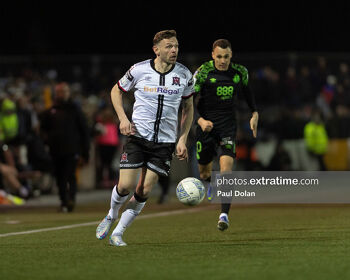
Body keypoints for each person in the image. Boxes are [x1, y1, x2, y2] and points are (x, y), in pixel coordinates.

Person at [96, 30, 194, 246]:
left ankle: (118, 233)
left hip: (165, 143)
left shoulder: (185, 75)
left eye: (176, 46)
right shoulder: (139, 70)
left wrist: (182, 139)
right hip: (138, 136)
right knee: (125, 186)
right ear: (156, 49)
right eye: (169, 46)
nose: (174, 50)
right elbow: (116, 90)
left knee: (145, 189)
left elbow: (188, 107)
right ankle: (111, 214)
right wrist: (122, 118)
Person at [193, 39, 258, 231]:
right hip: (206, 127)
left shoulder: (240, 72)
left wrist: (255, 113)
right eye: (219, 56)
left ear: (231, 56)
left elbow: (248, 95)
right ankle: (211, 182)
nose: (223, 61)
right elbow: (187, 103)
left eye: (226, 57)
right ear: (212, 55)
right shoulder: (202, 72)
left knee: (226, 170)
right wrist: (200, 121)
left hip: (228, 127)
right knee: (204, 173)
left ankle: (224, 215)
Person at [39, 82, 90, 212]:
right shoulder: (51, 111)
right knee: (59, 176)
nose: (63, 93)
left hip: (72, 149)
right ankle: (64, 201)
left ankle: (71, 199)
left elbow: (84, 130)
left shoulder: (75, 109)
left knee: (70, 174)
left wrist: (85, 152)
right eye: (60, 91)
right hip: (55, 150)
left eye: (65, 91)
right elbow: (43, 129)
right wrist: (47, 142)